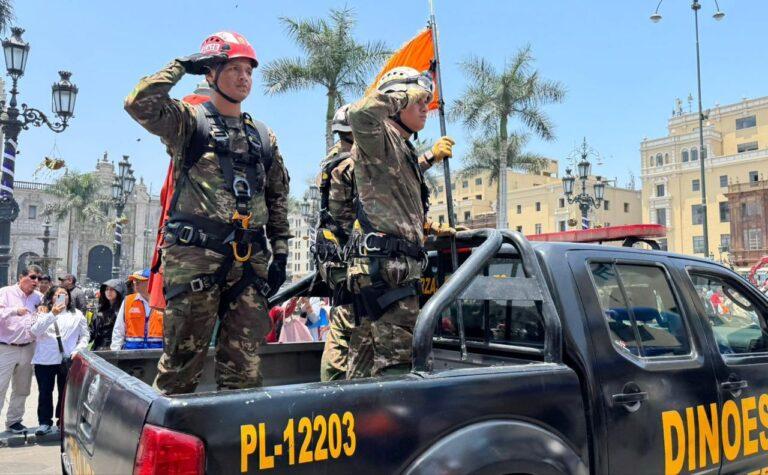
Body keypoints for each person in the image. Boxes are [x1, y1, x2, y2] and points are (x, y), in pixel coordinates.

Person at [124, 31, 291, 394]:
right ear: (211, 73)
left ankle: (233, 445)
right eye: (233, 68)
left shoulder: (264, 136)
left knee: (245, 372)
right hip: (195, 259)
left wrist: (281, 253)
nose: (244, 77)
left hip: (248, 264)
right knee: (180, 369)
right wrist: (182, 66)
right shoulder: (189, 121)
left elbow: (277, 197)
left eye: (249, 70)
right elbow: (139, 103)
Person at [317, 103, 455, 381]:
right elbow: (380, 203)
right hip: (356, 261)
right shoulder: (351, 164)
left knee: (351, 339)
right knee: (354, 338)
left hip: (343, 262)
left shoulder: (336, 160)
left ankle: (341, 400)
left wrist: (428, 226)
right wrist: (429, 158)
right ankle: (337, 400)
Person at [30, 286, 88, 436]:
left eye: (65, 294)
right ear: (51, 297)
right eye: (58, 295)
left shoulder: (77, 314)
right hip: (45, 359)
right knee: (45, 392)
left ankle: (62, 420)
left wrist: (77, 350)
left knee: (65, 392)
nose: (63, 297)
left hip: (67, 359)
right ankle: (44, 422)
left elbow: (85, 336)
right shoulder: (42, 313)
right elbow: (34, 332)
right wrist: (52, 314)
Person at [0, 265, 43, 434]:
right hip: (6, 347)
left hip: (28, 347)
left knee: (22, 387)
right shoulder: (6, 292)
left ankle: (14, 421)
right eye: (33, 277)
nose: (36, 282)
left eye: (38, 278)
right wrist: (14, 311)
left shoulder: (38, 297)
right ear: (21, 277)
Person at [110, 270, 163, 350]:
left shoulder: (164, 302)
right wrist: (116, 352)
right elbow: (118, 330)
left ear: (151, 282)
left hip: (157, 354)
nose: (135, 283)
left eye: (140, 280)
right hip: (131, 355)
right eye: (135, 280)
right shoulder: (128, 301)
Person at [89, 279, 126, 350]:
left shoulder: (123, 310)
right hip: (98, 348)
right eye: (107, 289)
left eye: (112, 289)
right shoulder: (100, 310)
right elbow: (92, 331)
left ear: (118, 291)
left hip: (115, 348)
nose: (108, 292)